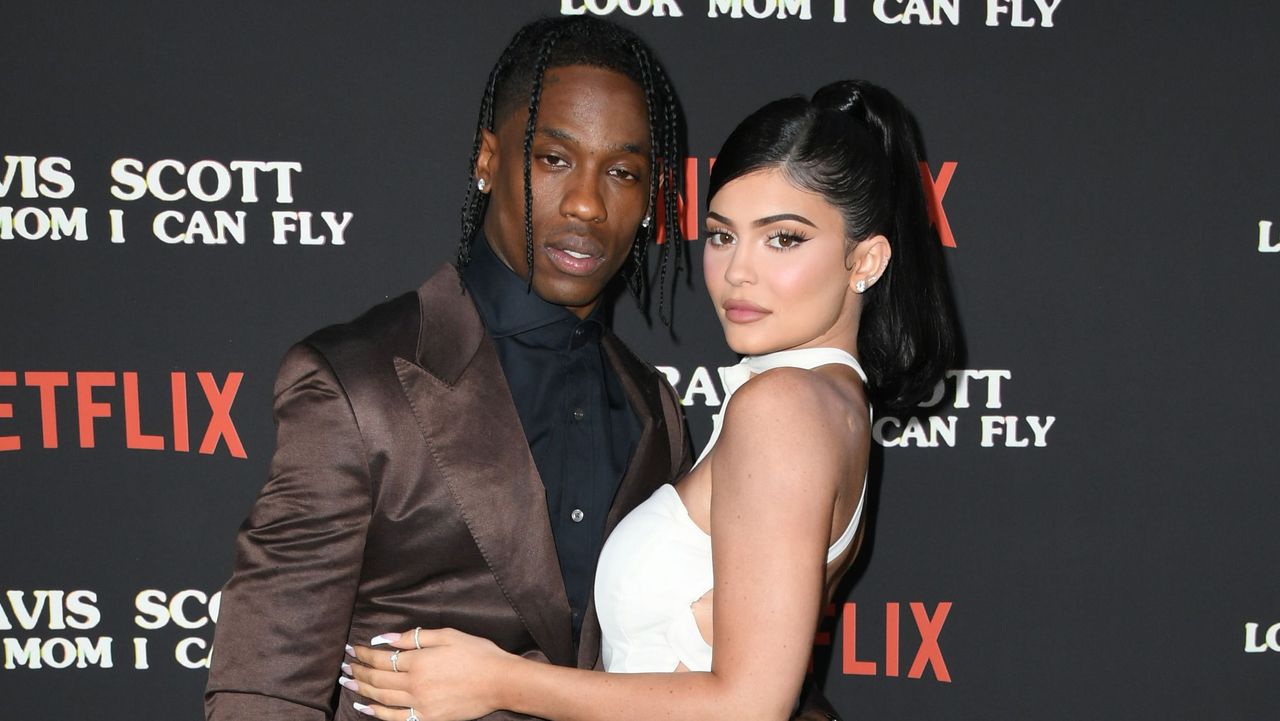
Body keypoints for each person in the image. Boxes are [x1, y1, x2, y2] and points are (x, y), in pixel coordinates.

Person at [342, 79, 960, 721]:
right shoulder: (830, 401)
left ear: (866, 260)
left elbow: (750, 705)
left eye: (783, 238)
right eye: (723, 235)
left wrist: (497, 681)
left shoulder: (784, 408)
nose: (739, 270)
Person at [204, 16, 694, 721]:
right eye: (553, 159)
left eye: (622, 173)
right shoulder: (357, 383)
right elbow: (264, 689)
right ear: (489, 158)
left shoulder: (654, 411)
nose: (588, 203)